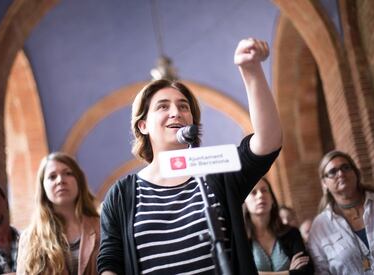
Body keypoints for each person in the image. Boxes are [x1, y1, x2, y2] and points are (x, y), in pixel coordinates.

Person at [97, 37, 283, 274]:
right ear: (143, 125)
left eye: (184, 106)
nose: (176, 112)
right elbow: (110, 261)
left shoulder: (216, 173)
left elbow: (268, 143)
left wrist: (251, 70)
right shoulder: (121, 195)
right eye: (163, 106)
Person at [16, 152, 100, 275]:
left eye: (68, 173)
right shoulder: (30, 238)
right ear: (43, 187)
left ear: (79, 181)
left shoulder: (102, 227)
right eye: (52, 176)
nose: (60, 180)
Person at [307, 150, 374, 274]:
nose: (341, 173)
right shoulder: (320, 227)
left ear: (356, 173)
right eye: (332, 172)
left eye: (346, 167)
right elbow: (321, 271)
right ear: (324, 183)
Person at [244, 178, 314, 275]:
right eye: (253, 192)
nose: (260, 195)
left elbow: (306, 271)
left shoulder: (291, 233)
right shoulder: (240, 239)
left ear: (272, 199)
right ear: (245, 202)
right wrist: (290, 272)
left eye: (264, 190)